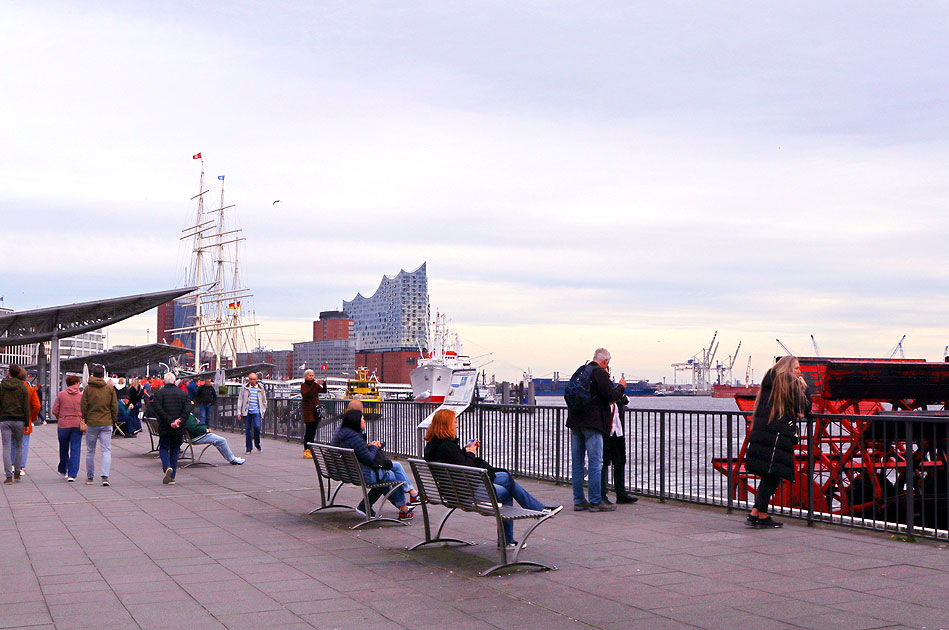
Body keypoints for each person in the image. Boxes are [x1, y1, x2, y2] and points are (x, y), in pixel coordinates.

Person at [424, 408, 561, 547]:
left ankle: (537, 510)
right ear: (446, 425)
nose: (457, 426)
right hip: (466, 493)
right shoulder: (447, 447)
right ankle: (509, 538)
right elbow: (468, 469)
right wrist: (471, 453)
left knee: (505, 477)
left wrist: (465, 451)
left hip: (453, 490)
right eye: (454, 422)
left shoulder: (433, 445)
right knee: (506, 492)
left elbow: (456, 463)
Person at [744, 356, 811, 529]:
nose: (799, 372)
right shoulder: (789, 380)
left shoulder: (770, 379)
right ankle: (763, 516)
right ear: (788, 368)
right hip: (777, 435)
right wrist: (805, 389)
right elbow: (803, 409)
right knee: (773, 475)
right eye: (796, 368)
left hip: (762, 432)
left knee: (770, 474)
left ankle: (755, 513)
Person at [565, 348, 626, 512]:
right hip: (593, 423)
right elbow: (611, 396)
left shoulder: (582, 370)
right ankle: (595, 500)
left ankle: (579, 500)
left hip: (575, 422)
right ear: (605, 361)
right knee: (595, 463)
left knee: (577, 463)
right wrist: (621, 387)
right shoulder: (599, 373)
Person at [331, 408, 417, 519]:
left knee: (396, 466)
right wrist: (374, 447)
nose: (364, 421)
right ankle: (404, 506)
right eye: (362, 419)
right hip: (362, 474)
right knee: (389, 476)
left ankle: (411, 495)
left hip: (348, 471)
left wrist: (369, 446)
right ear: (356, 421)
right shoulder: (354, 438)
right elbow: (369, 459)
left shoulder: (345, 435)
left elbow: (360, 452)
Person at [80, 365, 118, 486]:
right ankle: (105, 476)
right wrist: (113, 420)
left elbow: (83, 406)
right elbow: (114, 407)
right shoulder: (109, 389)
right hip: (106, 422)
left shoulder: (88, 389)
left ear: (93, 374)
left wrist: (86, 418)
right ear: (103, 375)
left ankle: (90, 477)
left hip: (92, 422)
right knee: (106, 450)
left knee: (90, 450)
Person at [152, 373, 190, 484]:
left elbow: (158, 410)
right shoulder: (183, 394)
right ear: (174, 381)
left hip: (165, 426)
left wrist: (170, 421)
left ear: (164, 382)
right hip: (179, 428)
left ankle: (167, 466)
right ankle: (172, 477)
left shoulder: (159, 394)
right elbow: (187, 409)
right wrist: (179, 420)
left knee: (164, 448)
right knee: (175, 450)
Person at [600, 394, 637, 504]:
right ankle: (601, 494)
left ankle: (621, 494)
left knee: (620, 462)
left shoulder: (615, 395)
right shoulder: (602, 394)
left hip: (618, 432)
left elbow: (625, 401)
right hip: (605, 433)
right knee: (603, 464)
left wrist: (622, 397)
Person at [0, 365, 30, 484]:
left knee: (6, 447)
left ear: (9, 373)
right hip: (19, 419)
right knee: (19, 446)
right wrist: (27, 422)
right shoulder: (23, 386)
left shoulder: (2, 385)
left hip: (5, 419)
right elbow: (26, 406)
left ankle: (8, 476)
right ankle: (17, 473)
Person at [52, 375, 85, 481]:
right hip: (77, 425)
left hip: (63, 424)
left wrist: (60, 417)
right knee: (75, 448)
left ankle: (63, 469)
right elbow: (85, 411)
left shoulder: (61, 395)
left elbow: (54, 410)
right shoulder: (81, 396)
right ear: (77, 383)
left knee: (63, 447)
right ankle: (72, 474)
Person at [10, 374, 40, 476]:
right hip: (25, 420)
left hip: (11, 419)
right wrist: (32, 417)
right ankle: (20, 466)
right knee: (24, 444)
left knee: (12, 442)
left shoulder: (10, 389)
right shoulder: (30, 390)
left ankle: (12, 464)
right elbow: (37, 406)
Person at [237, 373, 268, 454]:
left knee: (257, 427)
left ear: (256, 379)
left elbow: (264, 401)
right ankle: (249, 448)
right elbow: (240, 399)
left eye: (254, 379)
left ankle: (257, 443)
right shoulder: (244, 388)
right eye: (250, 379)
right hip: (247, 412)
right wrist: (239, 412)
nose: (252, 381)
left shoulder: (260, 388)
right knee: (248, 430)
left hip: (257, 411)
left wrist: (262, 412)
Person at [301, 369, 328, 459]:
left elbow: (323, 391)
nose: (312, 377)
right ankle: (306, 450)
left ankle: (311, 450)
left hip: (315, 412)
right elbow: (306, 394)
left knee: (313, 431)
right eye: (310, 375)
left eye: (312, 375)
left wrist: (324, 383)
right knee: (308, 432)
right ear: (305, 376)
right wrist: (313, 384)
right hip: (308, 412)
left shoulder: (315, 385)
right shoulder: (303, 386)